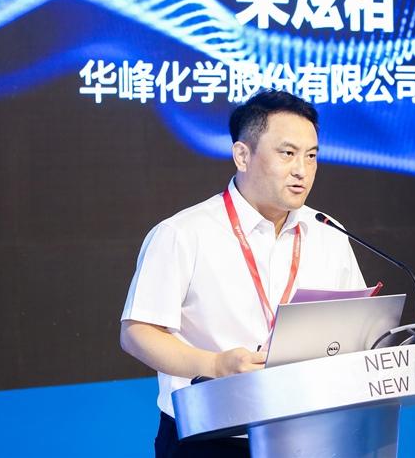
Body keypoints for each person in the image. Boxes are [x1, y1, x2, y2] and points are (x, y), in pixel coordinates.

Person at [120, 88, 366, 458]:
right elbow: (137, 332)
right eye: (287, 153)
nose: (302, 170)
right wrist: (215, 364)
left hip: (307, 431)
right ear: (242, 155)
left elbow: (356, 326)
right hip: (209, 437)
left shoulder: (327, 231)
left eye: (311, 156)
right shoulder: (184, 233)